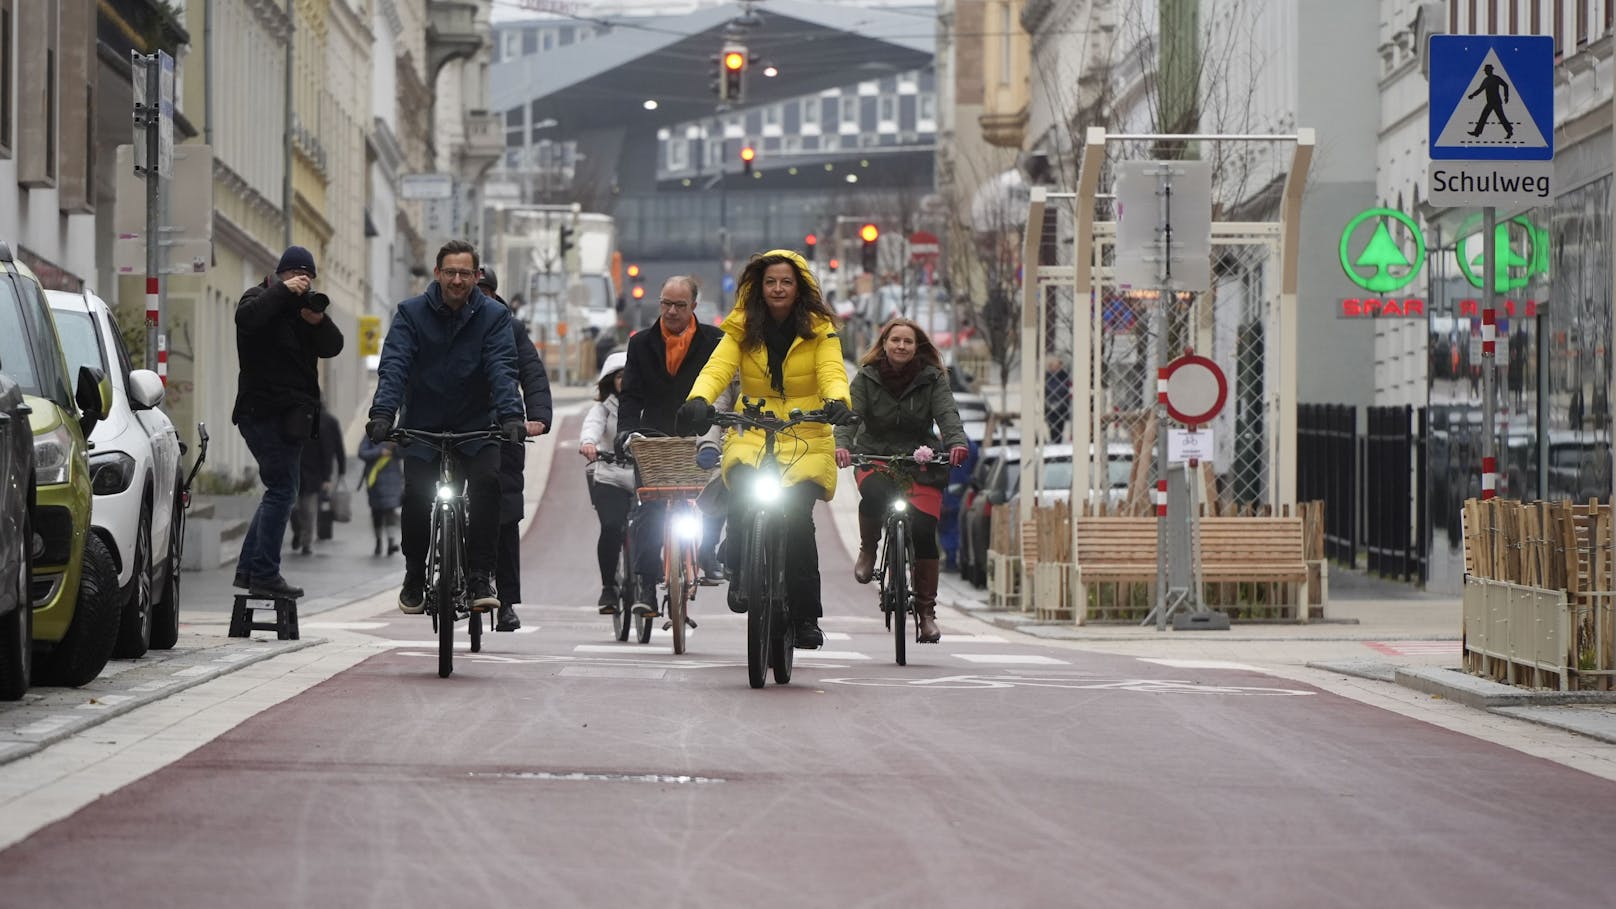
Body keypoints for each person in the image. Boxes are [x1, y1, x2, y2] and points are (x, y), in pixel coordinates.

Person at [678, 250, 856, 649]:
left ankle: (807, 617)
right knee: (740, 490)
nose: (778, 288)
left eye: (786, 282)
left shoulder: (820, 329)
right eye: (771, 282)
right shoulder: (741, 327)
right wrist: (699, 399)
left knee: (799, 524)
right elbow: (718, 368)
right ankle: (740, 571)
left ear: (800, 288)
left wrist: (839, 402)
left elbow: (831, 371)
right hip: (752, 429)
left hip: (805, 433)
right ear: (759, 287)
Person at [365, 240, 525, 615]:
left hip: (476, 425)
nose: (457, 280)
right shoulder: (410, 314)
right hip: (423, 426)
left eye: (465, 273)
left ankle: (480, 575)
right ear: (437, 274)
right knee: (417, 496)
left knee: (488, 483)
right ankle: (413, 573)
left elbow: (502, 368)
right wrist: (383, 414)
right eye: (450, 272)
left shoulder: (493, 317)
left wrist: (511, 416)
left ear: (476, 276)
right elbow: (395, 366)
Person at [834, 319, 969, 643]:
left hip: (918, 458)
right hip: (874, 455)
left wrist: (956, 443)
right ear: (884, 343)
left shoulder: (932, 378)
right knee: (875, 495)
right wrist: (843, 444)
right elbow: (851, 415)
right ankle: (869, 549)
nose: (901, 346)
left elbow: (947, 413)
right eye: (895, 340)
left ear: (917, 346)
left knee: (923, 530)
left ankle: (925, 614)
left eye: (908, 342)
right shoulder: (866, 377)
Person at [231, 245, 344, 599]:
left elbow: (333, 347)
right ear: (281, 274)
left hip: (292, 419)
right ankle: (264, 573)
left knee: (279, 491)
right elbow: (246, 319)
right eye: (296, 275)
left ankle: (251, 570)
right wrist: (282, 292)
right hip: (262, 413)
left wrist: (319, 321)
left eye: (308, 276)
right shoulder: (260, 297)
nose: (302, 281)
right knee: (282, 491)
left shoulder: (303, 311)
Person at [616, 275, 726, 611]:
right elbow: (631, 396)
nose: (672, 311)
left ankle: (708, 555)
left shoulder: (715, 341)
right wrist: (627, 433)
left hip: (701, 438)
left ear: (694, 306)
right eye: (666, 303)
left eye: (680, 305)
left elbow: (725, 388)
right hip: (654, 442)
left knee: (717, 499)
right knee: (648, 512)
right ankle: (646, 588)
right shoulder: (640, 343)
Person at [477, 266, 552, 633]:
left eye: (485, 290)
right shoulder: (446, 320)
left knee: (505, 511)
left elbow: (532, 374)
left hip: (504, 429)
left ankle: (506, 602)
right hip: (455, 426)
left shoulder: (510, 326)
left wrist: (537, 416)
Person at [579, 351, 636, 612]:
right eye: (620, 377)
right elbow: (592, 425)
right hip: (610, 474)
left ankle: (649, 580)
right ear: (611, 381)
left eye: (630, 376)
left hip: (643, 476)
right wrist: (589, 443)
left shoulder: (647, 404)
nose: (625, 382)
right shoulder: (604, 407)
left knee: (654, 527)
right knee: (612, 526)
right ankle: (608, 589)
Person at [290, 405, 345, 555]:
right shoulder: (328, 421)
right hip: (313, 472)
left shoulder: (299, 418)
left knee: (297, 507)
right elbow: (333, 448)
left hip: (299, 470)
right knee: (308, 509)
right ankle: (305, 538)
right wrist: (337, 471)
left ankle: (302, 535)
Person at [357, 435, 404, 556]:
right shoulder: (370, 435)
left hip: (392, 481)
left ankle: (391, 542)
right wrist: (379, 452)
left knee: (390, 511)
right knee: (376, 513)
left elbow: (403, 453)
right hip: (375, 481)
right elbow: (362, 453)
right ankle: (379, 542)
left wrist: (396, 447)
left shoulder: (395, 435)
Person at [1044, 355, 1073, 444]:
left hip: (1062, 408)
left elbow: (1064, 389)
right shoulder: (1047, 376)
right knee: (1052, 431)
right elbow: (1046, 390)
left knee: (1061, 430)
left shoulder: (1064, 376)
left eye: (1058, 364)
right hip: (1050, 408)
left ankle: (1059, 444)